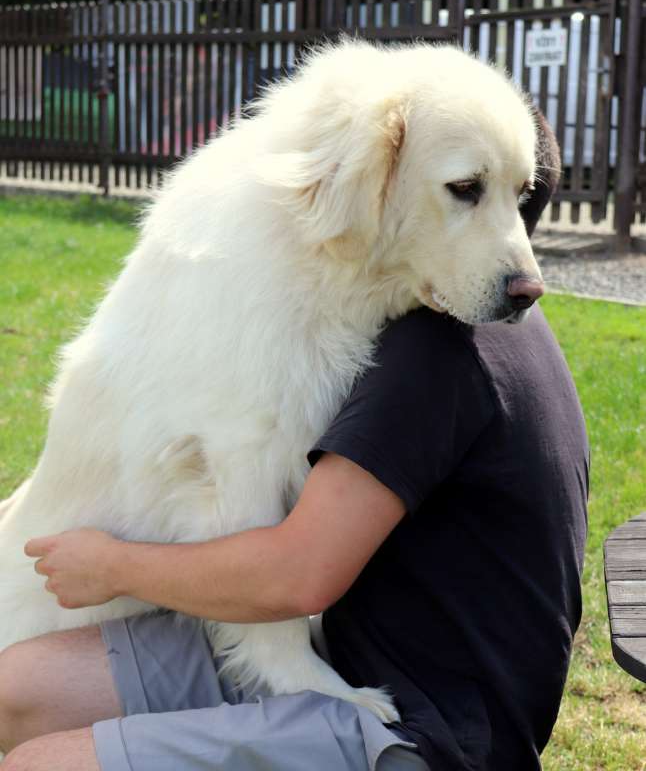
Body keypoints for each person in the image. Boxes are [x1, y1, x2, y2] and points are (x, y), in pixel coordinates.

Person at [0, 112, 588, 771]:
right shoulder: (441, 320)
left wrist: (108, 567)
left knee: (40, 766)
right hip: (352, 648)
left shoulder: (438, 356)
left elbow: (296, 576)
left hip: (423, 729)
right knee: (16, 689)